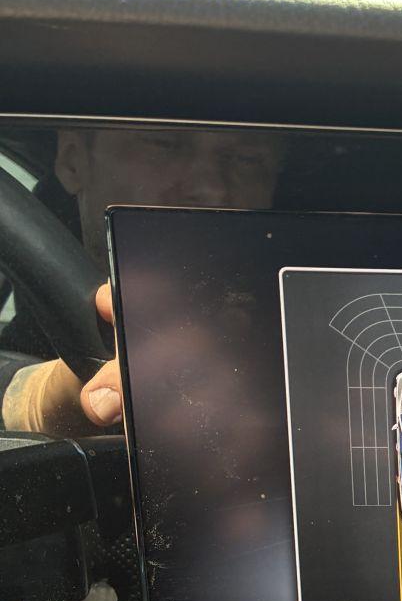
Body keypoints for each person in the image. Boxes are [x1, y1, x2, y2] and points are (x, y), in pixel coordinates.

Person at [1, 124, 282, 436]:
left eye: (246, 159)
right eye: (163, 144)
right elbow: (17, 384)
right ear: (72, 160)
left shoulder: (304, 331)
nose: (210, 188)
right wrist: (49, 397)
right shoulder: (28, 340)